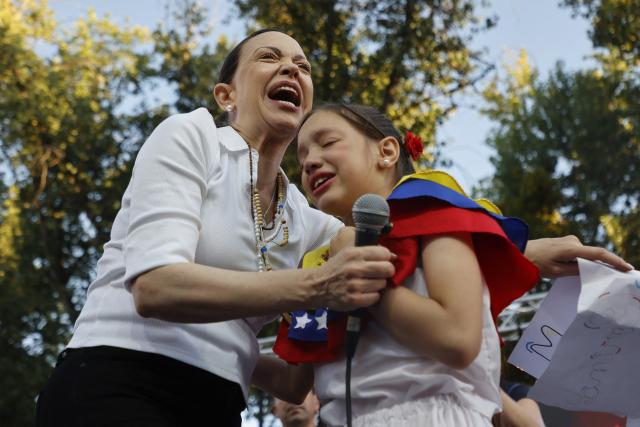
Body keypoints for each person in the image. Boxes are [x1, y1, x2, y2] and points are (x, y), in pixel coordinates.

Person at [34, 31, 397, 427]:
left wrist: (237, 353)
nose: (292, 68)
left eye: (303, 66)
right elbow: (156, 286)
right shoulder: (192, 136)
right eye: (269, 57)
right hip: (116, 382)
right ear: (227, 96)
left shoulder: (303, 218)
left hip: (220, 407)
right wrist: (318, 285)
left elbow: (293, 386)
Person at [265, 103, 545, 426]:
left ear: (386, 151)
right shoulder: (317, 266)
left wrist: (356, 277)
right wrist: (220, 342)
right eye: (302, 160)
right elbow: (293, 384)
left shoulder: (437, 215)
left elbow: (457, 339)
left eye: (327, 143)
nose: (311, 161)